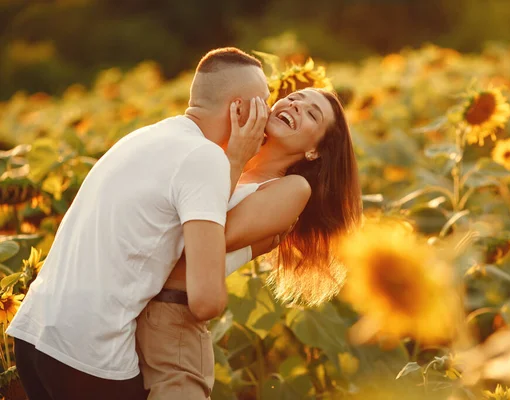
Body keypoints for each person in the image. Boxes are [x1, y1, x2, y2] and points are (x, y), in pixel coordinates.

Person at [6, 47, 271, 400]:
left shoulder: (148, 137)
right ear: (239, 109)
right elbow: (206, 301)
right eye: (264, 104)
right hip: (88, 354)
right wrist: (236, 159)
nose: (269, 115)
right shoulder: (205, 158)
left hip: (33, 336)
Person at [136, 88, 363, 399]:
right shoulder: (221, 155)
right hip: (133, 304)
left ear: (315, 151)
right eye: (294, 97)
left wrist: (235, 157)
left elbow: (207, 236)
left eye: (312, 114)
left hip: (173, 322)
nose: (296, 106)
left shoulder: (292, 189)